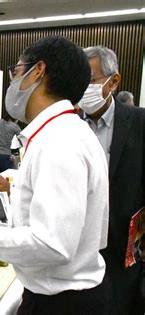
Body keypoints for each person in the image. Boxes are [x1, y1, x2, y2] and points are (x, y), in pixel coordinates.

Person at [0, 36, 111, 314]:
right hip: (67, 295)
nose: (13, 82)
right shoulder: (68, 131)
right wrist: (13, 186)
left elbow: (51, 244)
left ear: (38, 72)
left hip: (61, 303)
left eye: (16, 71)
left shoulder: (59, 141)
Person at [78, 45, 145, 314]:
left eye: (90, 81)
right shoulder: (70, 124)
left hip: (121, 249)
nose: (83, 89)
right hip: (78, 247)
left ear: (113, 81)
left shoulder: (139, 122)